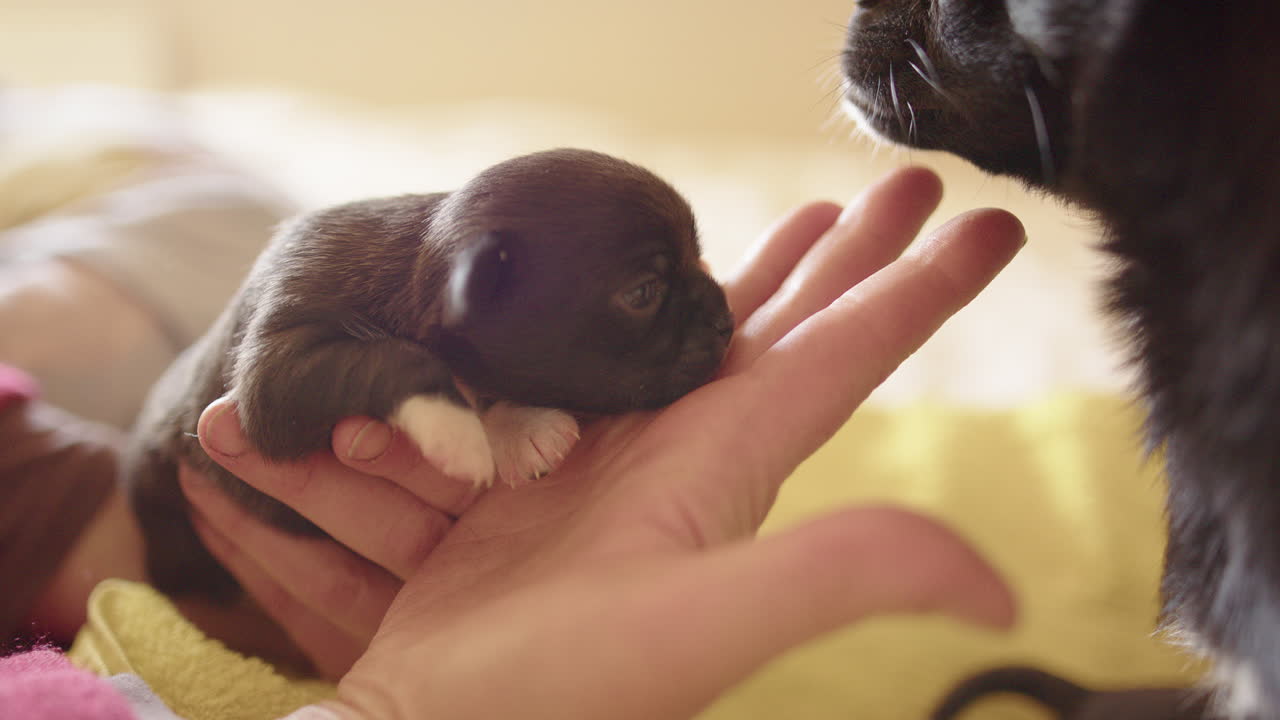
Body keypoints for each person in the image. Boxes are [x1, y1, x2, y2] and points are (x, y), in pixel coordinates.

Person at [11, 166, 1026, 719]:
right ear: (472, 292)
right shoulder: (338, 293)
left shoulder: (420, 271)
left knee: (195, 203)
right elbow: (270, 400)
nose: (710, 317)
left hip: (92, 462)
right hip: (180, 526)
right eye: (648, 289)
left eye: (682, 266)